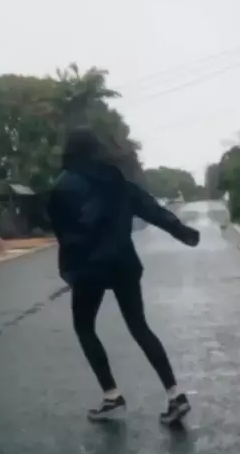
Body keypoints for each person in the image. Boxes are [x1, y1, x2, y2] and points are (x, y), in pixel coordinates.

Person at [48, 128, 200, 425]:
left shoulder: (64, 185)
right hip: (123, 263)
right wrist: (183, 232)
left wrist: (69, 268)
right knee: (139, 326)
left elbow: (63, 231)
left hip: (89, 267)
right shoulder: (115, 180)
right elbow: (150, 209)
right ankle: (175, 394)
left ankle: (112, 395)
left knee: (84, 326)